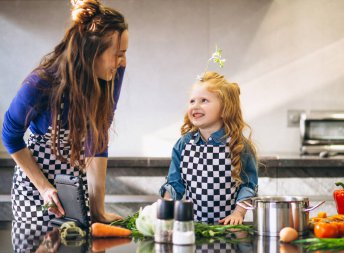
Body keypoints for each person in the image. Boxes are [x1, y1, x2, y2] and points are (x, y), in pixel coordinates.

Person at [1, 0, 128, 224]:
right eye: (118, 54)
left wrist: (98, 210)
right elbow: (10, 135)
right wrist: (44, 188)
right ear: (92, 52)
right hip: (35, 194)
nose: (123, 61)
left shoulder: (111, 77)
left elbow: (97, 140)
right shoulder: (42, 83)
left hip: (74, 195)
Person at [159, 72, 258, 224]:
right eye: (192, 101)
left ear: (225, 107)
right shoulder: (184, 144)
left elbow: (248, 186)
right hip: (193, 229)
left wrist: (238, 214)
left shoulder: (238, 145)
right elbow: (174, 183)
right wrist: (165, 211)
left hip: (226, 229)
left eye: (204, 100)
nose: (195, 106)